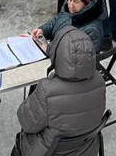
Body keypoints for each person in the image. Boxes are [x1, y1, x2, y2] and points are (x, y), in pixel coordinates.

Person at [12, 26, 106, 156]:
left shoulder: (47, 90)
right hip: (87, 149)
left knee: (20, 140)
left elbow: (26, 122)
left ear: (58, 54)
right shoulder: (100, 82)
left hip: (51, 152)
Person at [30, 0, 104, 53]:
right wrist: (43, 30)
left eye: (76, 1)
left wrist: (50, 50)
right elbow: (56, 21)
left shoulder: (92, 30)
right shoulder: (69, 10)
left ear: (86, 3)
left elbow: (77, 57)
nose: (71, 5)